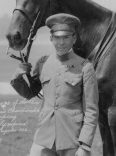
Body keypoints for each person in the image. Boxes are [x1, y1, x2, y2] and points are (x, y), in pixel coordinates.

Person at [10, 13, 99, 156]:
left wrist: (85, 145)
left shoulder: (85, 67)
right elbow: (30, 93)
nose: (61, 42)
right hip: (43, 139)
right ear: (51, 38)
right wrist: (17, 77)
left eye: (66, 37)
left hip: (72, 141)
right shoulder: (43, 63)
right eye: (57, 37)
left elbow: (91, 111)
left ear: (74, 38)